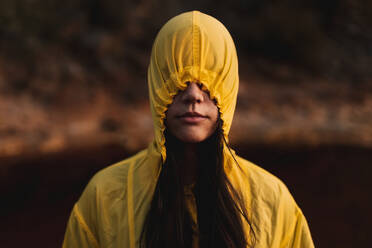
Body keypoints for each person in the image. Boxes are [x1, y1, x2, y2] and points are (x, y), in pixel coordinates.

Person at [62, 10, 314, 248]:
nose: (193, 95)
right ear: (157, 83)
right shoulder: (104, 196)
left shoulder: (272, 200)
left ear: (228, 87)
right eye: (178, 79)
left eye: (207, 82)